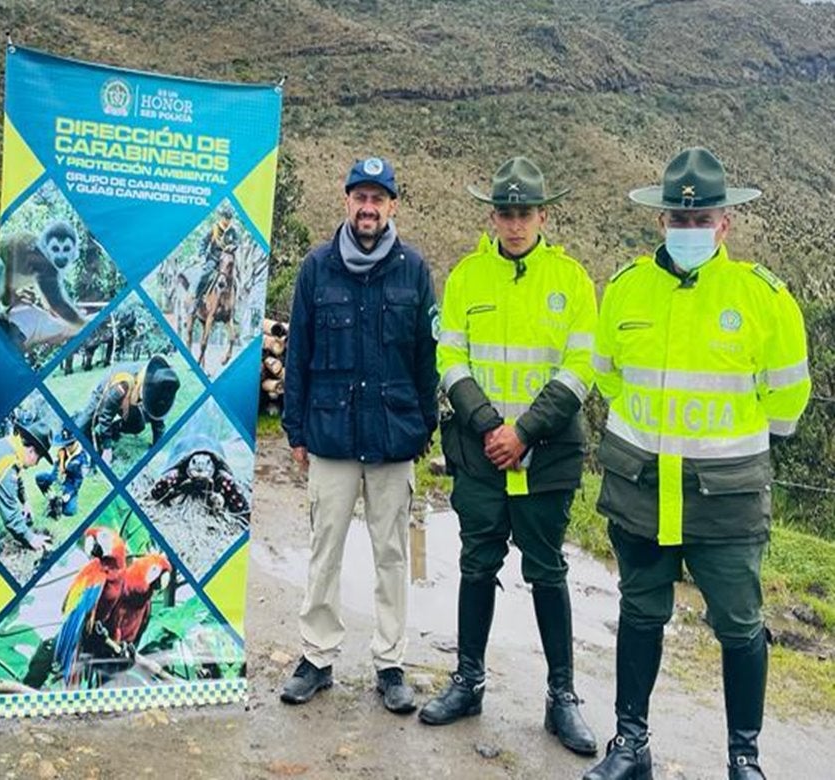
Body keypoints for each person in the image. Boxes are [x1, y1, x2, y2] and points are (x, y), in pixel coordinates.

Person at [583, 148, 811, 780]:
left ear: (724, 224)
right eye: (679, 222)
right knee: (640, 611)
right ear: (661, 223)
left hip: (726, 497)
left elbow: (788, 399)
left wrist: (724, 440)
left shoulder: (762, 297)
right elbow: (607, 377)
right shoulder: (626, 288)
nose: (690, 231)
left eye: (701, 219)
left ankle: (745, 758)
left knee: (739, 625)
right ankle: (630, 744)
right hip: (642, 489)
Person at [422, 157, 598, 755]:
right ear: (492, 216)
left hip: (545, 456)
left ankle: (562, 698)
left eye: (525, 213)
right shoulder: (468, 276)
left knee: (547, 570)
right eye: (505, 212)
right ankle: (468, 681)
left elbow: (581, 370)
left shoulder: (572, 281)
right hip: (480, 453)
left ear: (543, 215)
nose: (515, 223)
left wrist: (523, 432)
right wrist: (490, 426)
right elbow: (451, 358)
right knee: (476, 564)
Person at [279, 156, 438, 715]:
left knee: (392, 555)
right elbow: (298, 352)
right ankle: (316, 659)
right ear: (345, 202)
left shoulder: (413, 271)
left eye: (378, 198)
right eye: (359, 197)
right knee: (324, 552)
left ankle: (390, 663)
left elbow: (427, 358)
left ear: (392, 206)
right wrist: (294, 427)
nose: (368, 208)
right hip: (330, 434)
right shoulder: (316, 268)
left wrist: (424, 426)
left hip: (394, 436)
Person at [73, 353, 180, 463]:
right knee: (81, 428)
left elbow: (158, 422)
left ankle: (115, 430)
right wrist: (107, 448)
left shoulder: (162, 388)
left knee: (137, 425)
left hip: (131, 399)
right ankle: (79, 419)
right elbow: (106, 415)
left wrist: (157, 449)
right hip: (106, 393)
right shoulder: (122, 385)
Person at [0, 420, 55, 553]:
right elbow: (11, 516)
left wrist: (25, 501)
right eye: (39, 458)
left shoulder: (12, 447)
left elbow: (17, 478)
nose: (36, 464)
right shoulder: (6, 465)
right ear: (31, 451)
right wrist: (30, 538)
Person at [35, 427, 91, 518]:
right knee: (40, 478)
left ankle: (61, 503)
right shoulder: (62, 452)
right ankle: (51, 499)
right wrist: (53, 486)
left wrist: (69, 494)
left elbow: (77, 481)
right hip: (58, 479)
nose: (68, 447)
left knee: (70, 511)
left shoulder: (83, 458)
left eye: (70, 444)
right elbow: (55, 470)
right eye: (66, 444)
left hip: (69, 484)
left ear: (76, 441)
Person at [195, 203, 240, 300]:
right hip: (214, 258)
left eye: (229, 218)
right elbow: (204, 241)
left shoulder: (232, 230)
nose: (227, 221)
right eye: (226, 217)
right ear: (222, 217)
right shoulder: (214, 228)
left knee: (237, 280)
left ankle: (235, 304)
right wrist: (202, 254)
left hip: (228, 259)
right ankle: (197, 298)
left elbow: (237, 242)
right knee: (206, 274)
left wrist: (232, 246)